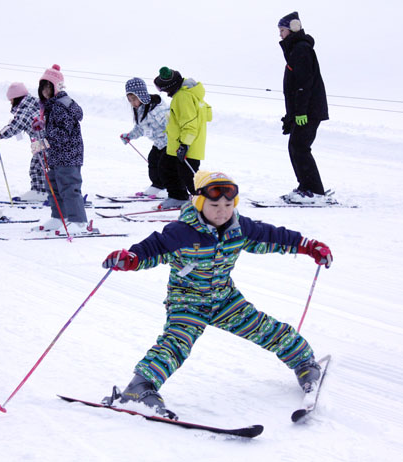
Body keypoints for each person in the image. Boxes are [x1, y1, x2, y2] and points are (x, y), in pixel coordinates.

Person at [101, 170, 333, 417]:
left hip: (224, 298)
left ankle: (304, 362)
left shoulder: (239, 228)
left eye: (228, 204)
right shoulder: (181, 232)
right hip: (187, 301)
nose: (222, 210)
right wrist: (132, 259)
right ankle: (139, 388)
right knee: (176, 342)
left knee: (264, 328)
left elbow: (273, 236)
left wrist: (308, 246)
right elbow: (153, 248)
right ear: (199, 203)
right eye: (214, 204)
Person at [33, 64, 90, 235]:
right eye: (42, 87)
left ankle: (78, 221)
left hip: (69, 154)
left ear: (56, 86)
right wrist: (41, 125)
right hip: (56, 155)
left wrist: (45, 142)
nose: (44, 91)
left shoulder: (61, 105)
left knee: (69, 186)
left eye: (47, 86)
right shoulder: (51, 106)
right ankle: (60, 217)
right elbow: (56, 128)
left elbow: (64, 131)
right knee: (54, 186)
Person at [278, 12, 329, 204]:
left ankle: (313, 191)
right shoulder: (296, 50)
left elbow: (304, 84)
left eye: (282, 30)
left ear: (293, 28)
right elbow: (295, 88)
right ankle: (307, 187)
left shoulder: (301, 49)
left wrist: (300, 112)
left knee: (299, 147)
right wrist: (291, 116)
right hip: (304, 110)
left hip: (308, 111)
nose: (280, 35)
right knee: (296, 147)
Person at [153, 67, 212, 210]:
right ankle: (178, 197)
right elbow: (207, 113)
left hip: (186, 144)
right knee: (166, 167)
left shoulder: (183, 97)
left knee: (189, 175)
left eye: (165, 90)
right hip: (177, 144)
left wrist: (184, 144)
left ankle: (207, 202)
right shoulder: (189, 94)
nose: (166, 94)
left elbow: (189, 124)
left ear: (171, 87)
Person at [0, 82, 47, 202]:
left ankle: (40, 192)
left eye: (11, 100)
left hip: (43, 142)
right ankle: (43, 190)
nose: (10, 103)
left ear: (16, 98)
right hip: (44, 141)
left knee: (37, 167)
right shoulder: (34, 104)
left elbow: (15, 126)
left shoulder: (25, 110)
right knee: (42, 167)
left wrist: (0, 134)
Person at [119, 77, 168, 198]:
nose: (133, 103)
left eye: (134, 99)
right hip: (158, 143)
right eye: (130, 100)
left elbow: (171, 125)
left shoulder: (157, 110)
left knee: (165, 166)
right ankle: (157, 186)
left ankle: (169, 188)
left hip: (169, 143)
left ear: (141, 95)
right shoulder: (141, 109)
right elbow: (140, 128)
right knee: (152, 160)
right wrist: (130, 136)